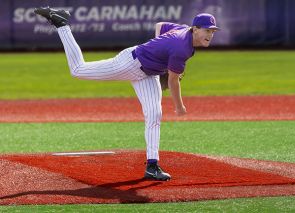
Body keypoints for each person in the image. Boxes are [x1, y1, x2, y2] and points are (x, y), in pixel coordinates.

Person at [34, 7, 219, 181]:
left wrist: (158, 55)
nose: (210, 35)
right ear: (195, 29)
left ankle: (152, 166)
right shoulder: (182, 48)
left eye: (213, 31)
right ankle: (62, 24)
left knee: (154, 114)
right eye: (207, 30)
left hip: (148, 73)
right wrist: (179, 106)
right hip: (130, 63)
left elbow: (160, 27)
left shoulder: (183, 30)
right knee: (78, 70)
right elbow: (173, 81)